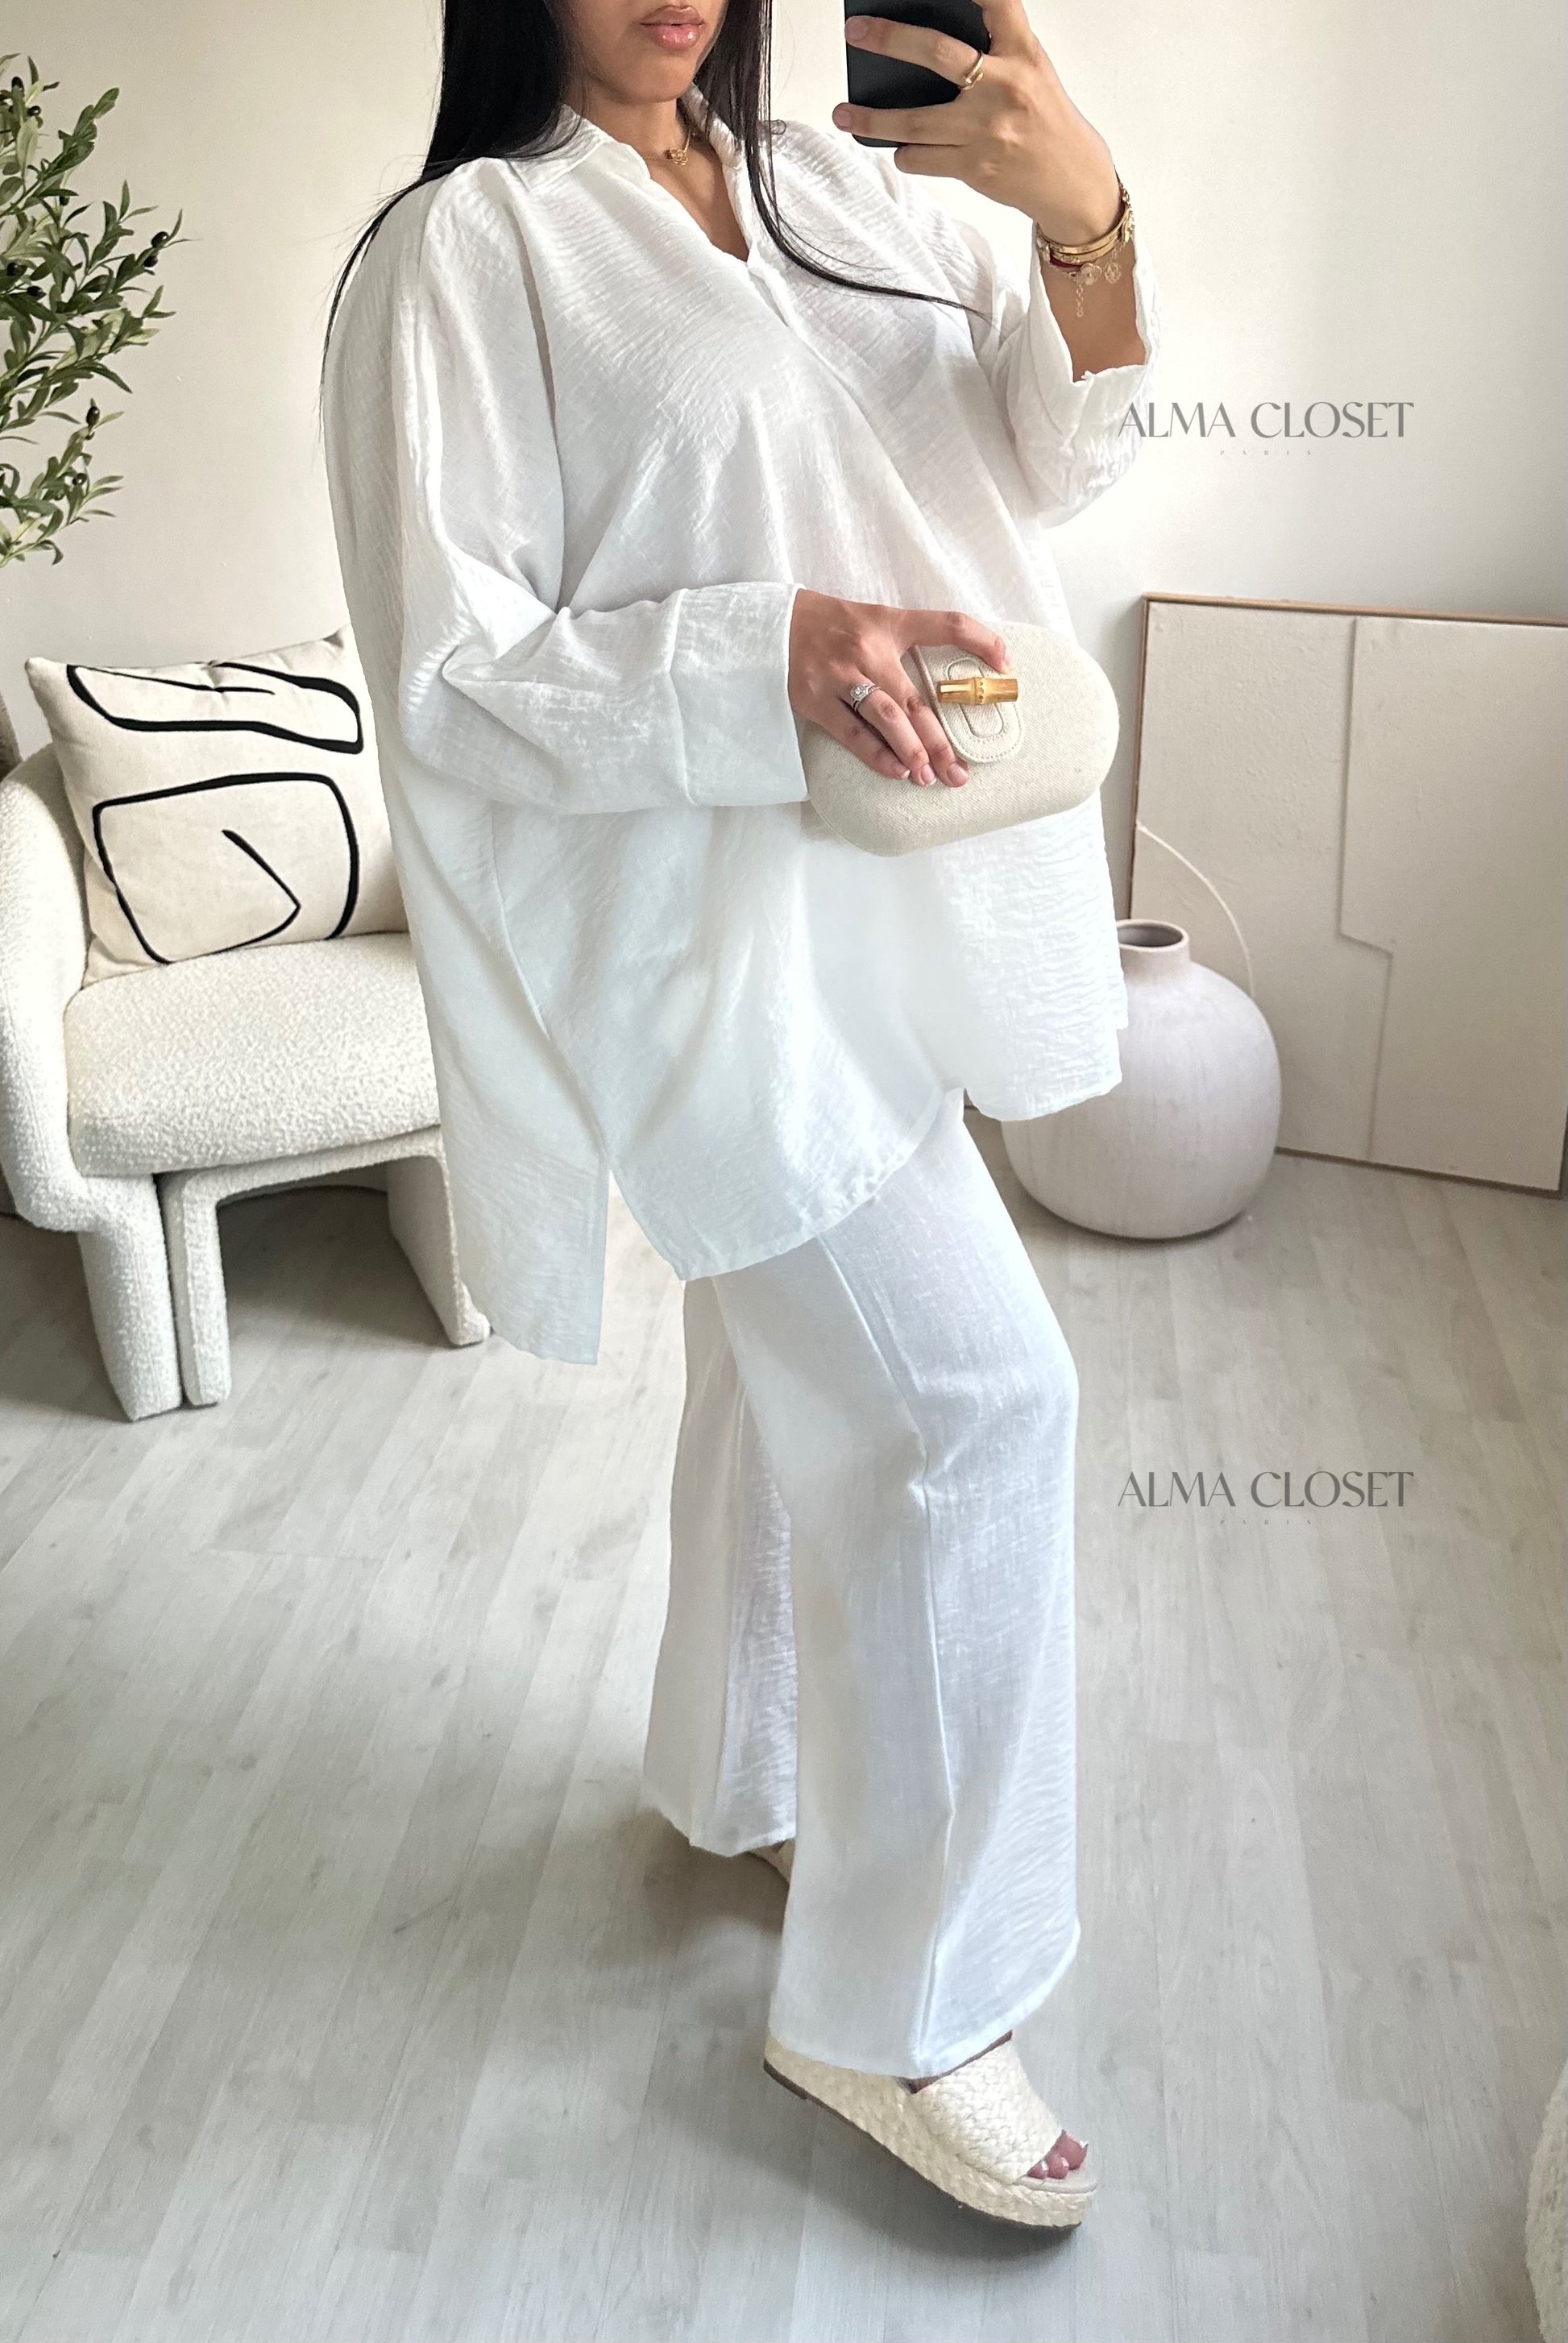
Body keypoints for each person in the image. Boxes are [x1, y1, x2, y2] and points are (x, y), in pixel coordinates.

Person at [322, 0, 1159, 2227]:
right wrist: (765, 647)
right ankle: (902, 2007)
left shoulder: (846, 188)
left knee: (789, 1386)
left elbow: (1058, 458)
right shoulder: (470, 250)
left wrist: (1086, 218)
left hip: (910, 883)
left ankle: (745, 1775)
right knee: (973, 1406)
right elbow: (452, 673)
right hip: (703, 940)